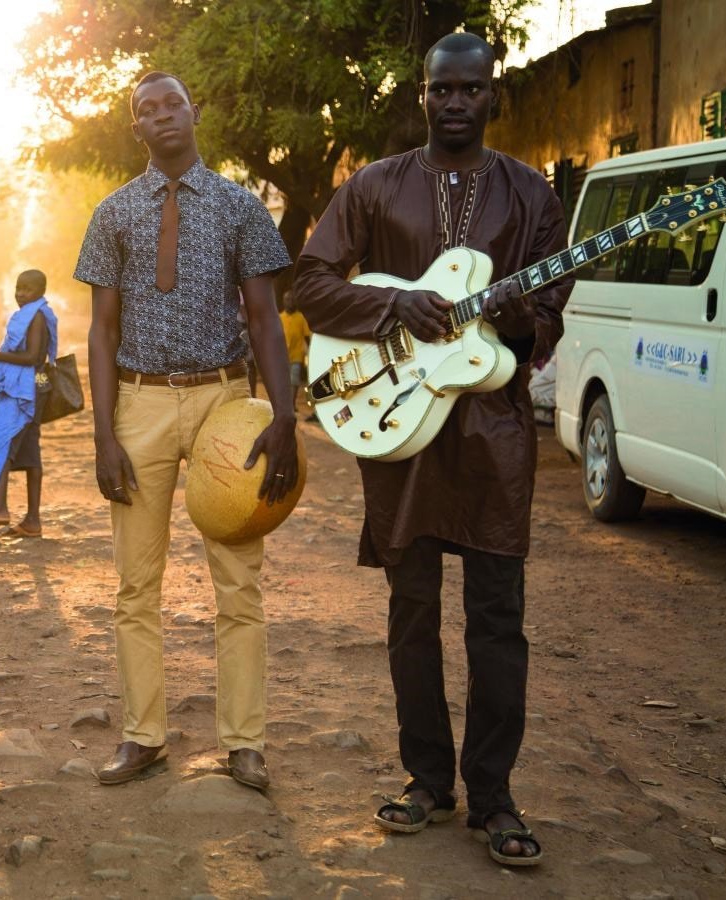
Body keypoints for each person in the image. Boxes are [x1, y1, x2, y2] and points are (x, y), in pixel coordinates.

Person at [292, 33, 572, 866]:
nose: (456, 102)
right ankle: (427, 781)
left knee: (496, 618)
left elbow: (551, 302)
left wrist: (523, 319)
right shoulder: (376, 186)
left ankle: (494, 798)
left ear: (494, 95)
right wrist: (393, 309)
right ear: (423, 94)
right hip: (401, 429)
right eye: (441, 89)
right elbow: (311, 280)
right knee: (411, 610)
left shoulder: (530, 194)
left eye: (472, 90)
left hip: (494, 435)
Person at [74, 71, 298, 791]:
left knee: (239, 582)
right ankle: (144, 736)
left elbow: (263, 319)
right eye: (147, 110)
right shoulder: (112, 213)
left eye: (173, 102)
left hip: (224, 406)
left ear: (194, 111)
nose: (162, 115)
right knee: (135, 585)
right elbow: (101, 331)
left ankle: (246, 743)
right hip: (138, 405)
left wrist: (285, 417)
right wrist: (105, 435)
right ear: (135, 129)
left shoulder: (241, 208)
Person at [0, 269, 57, 538]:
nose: (20, 293)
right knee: (30, 452)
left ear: (41, 291)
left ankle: (0, 507)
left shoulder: (36, 316)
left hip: (26, 390)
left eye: (27, 289)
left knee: (4, 442)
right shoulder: (32, 313)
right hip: (33, 388)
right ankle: (32, 521)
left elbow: (32, 357)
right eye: (18, 287)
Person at [278, 287, 312, 416]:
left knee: (294, 381)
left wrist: (311, 354)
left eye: (292, 299)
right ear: (283, 301)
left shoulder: (301, 317)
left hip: (297, 355)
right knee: (282, 382)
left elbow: (307, 336)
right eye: (287, 299)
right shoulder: (279, 318)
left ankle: (291, 405)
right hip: (281, 357)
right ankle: (282, 406)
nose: (290, 302)